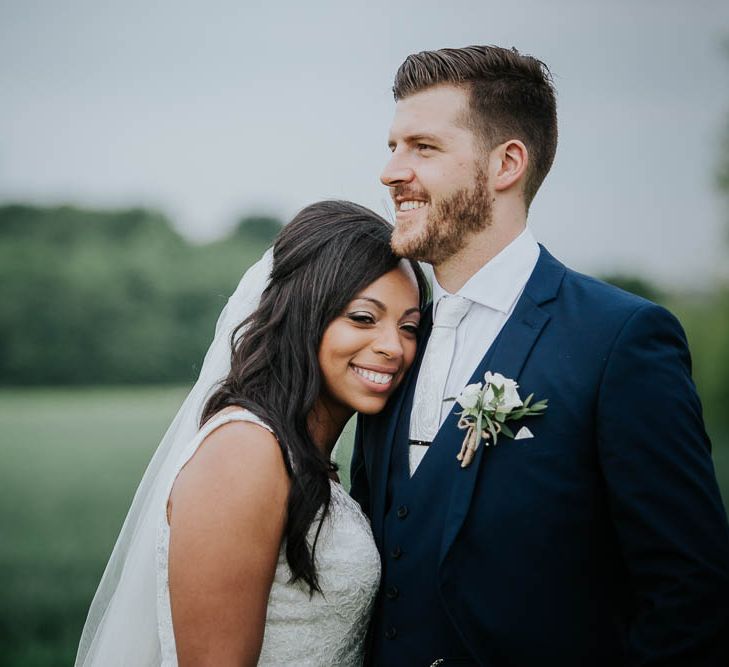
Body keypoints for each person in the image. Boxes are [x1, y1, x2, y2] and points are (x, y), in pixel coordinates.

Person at [351, 45, 729, 666]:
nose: (390, 171)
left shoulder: (620, 340)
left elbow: (690, 593)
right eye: (393, 147)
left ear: (506, 164)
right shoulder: (387, 342)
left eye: (422, 148)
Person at [75, 200, 428, 666]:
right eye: (363, 318)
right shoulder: (245, 452)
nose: (393, 347)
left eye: (409, 327)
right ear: (306, 314)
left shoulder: (303, 457)